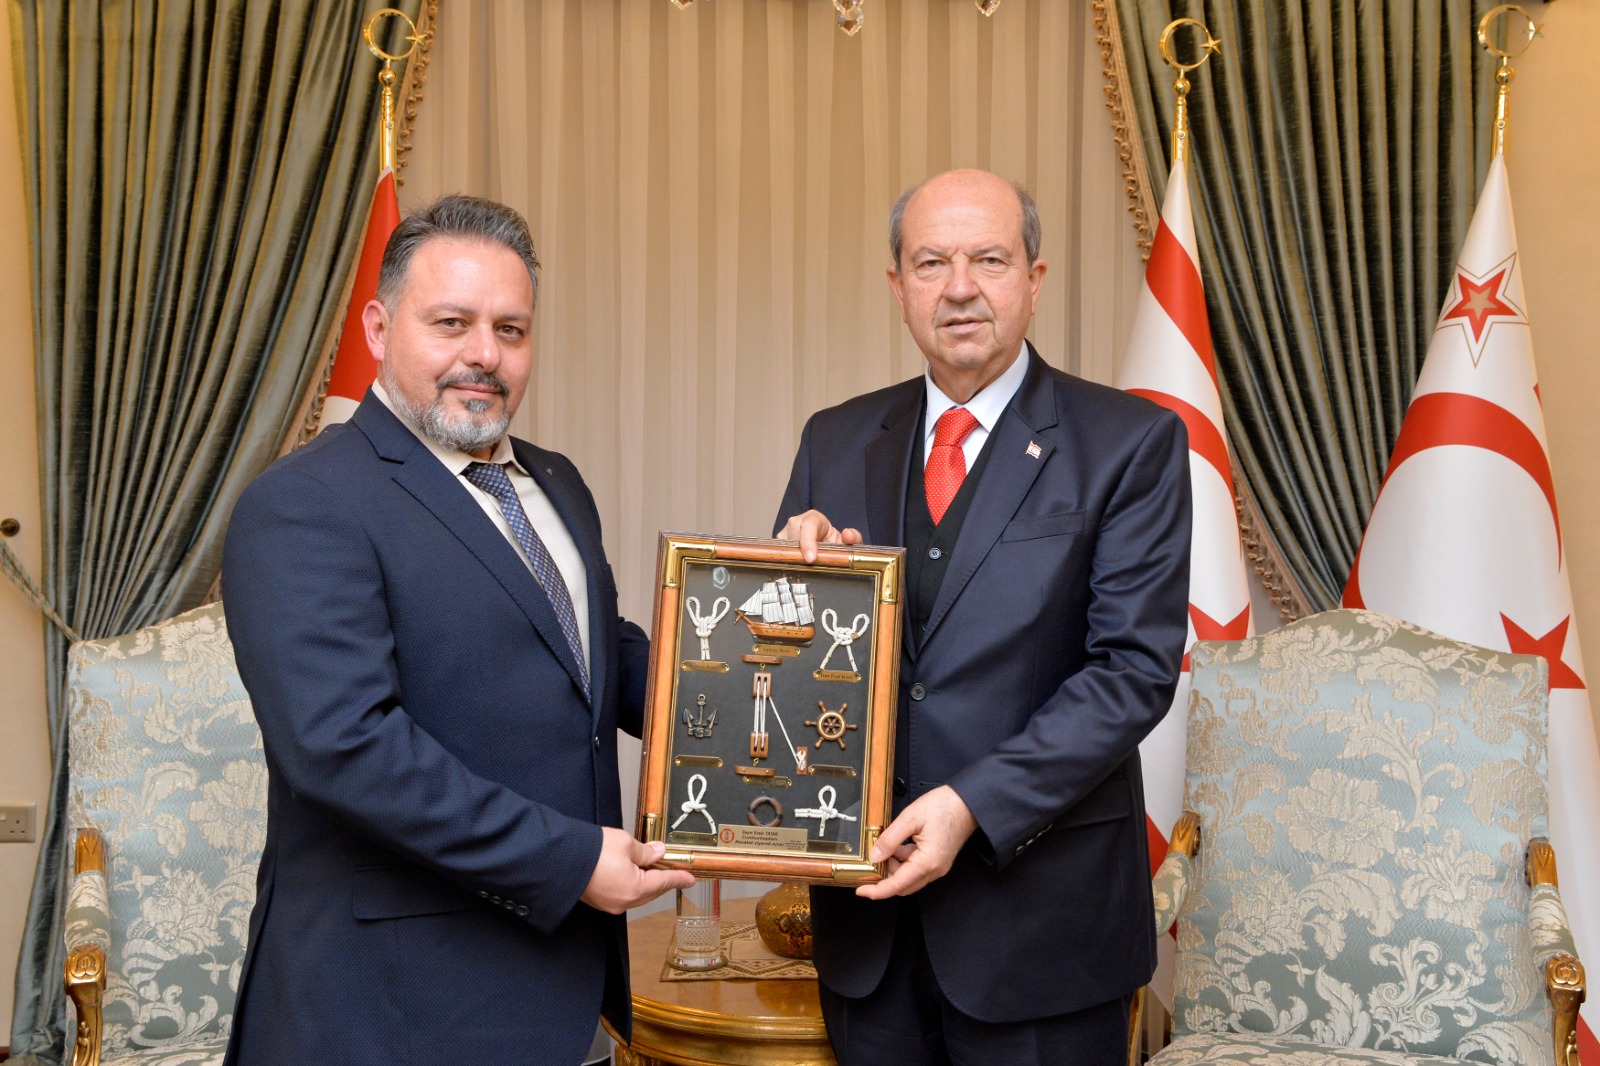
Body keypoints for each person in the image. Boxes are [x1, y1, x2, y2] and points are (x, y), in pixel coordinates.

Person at [220, 195, 693, 1066]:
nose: (485, 354)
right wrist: (573, 860)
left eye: (511, 330)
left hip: (560, 990)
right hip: (390, 1007)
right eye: (452, 323)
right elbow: (346, 749)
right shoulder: (302, 503)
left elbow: (594, 653)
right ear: (378, 327)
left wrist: (763, 670)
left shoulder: (556, 481)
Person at [774, 168, 1192, 1064]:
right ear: (899, 286)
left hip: (1044, 935)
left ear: (1034, 279)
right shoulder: (834, 439)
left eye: (988, 260)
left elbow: (1132, 673)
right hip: (868, 934)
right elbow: (792, 670)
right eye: (932, 263)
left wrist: (973, 804)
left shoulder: (1131, 443)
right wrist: (785, 585)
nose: (959, 287)